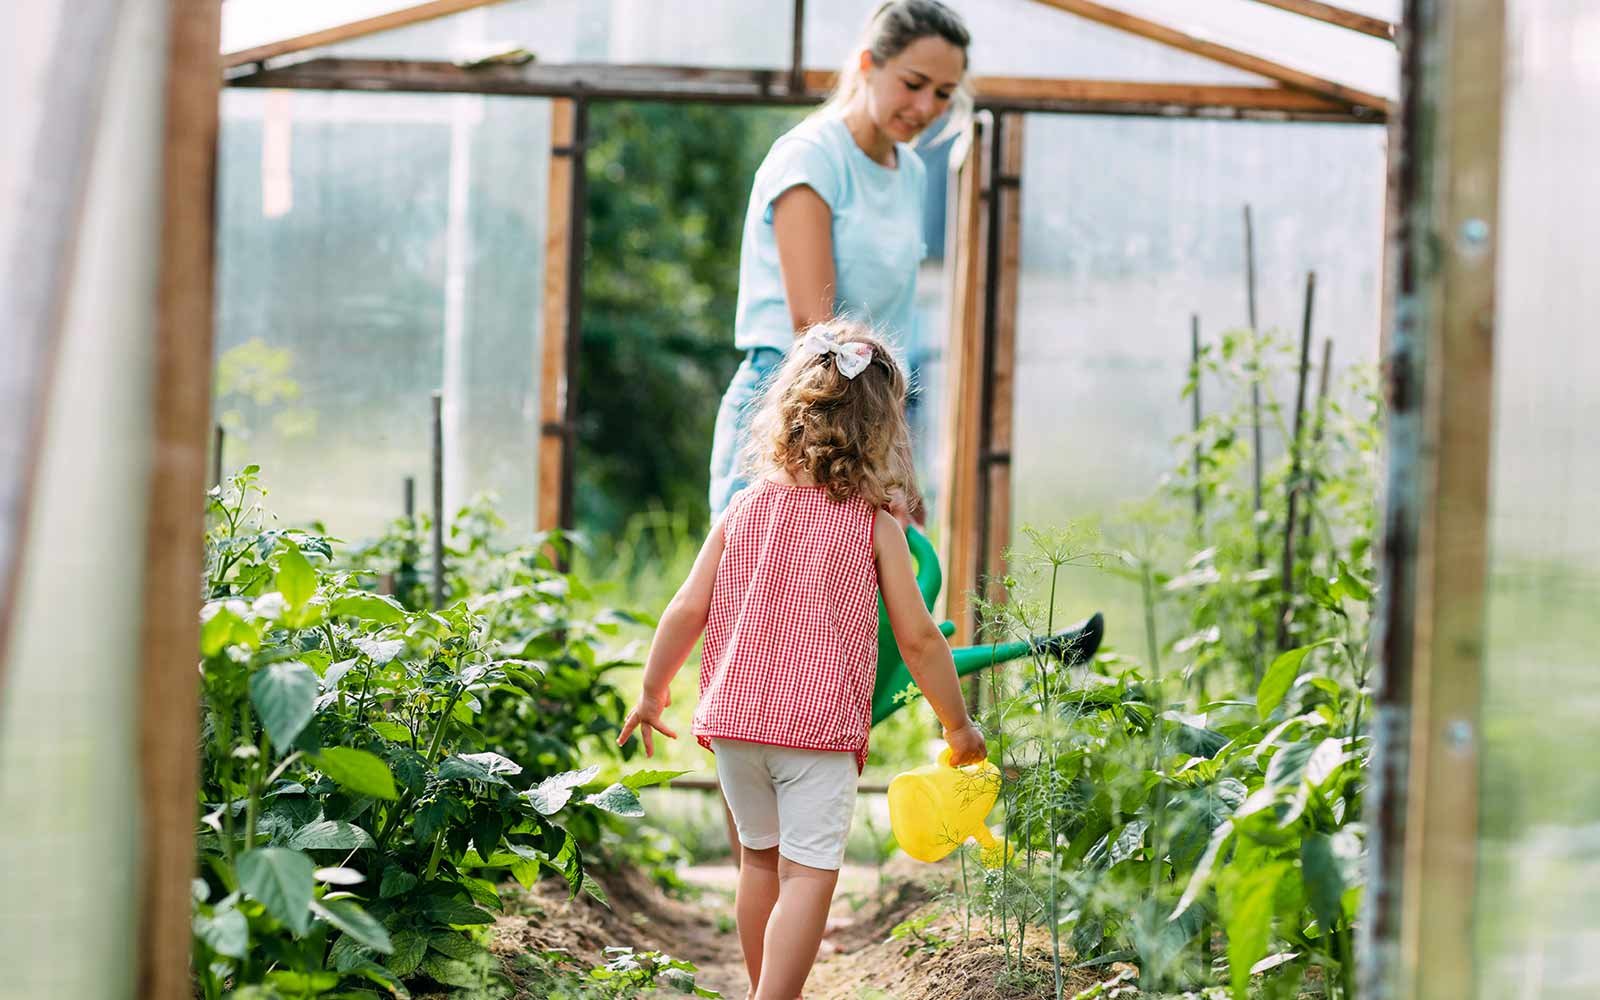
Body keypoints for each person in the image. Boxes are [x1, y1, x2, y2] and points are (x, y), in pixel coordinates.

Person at [621, 322, 987, 1000]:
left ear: (787, 415)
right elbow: (919, 640)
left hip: (734, 723)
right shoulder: (876, 525)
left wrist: (652, 691)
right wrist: (957, 726)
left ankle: (765, 989)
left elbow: (684, 609)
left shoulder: (743, 507)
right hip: (816, 732)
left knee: (759, 867)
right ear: (882, 434)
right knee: (810, 875)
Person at [705, 0, 974, 869]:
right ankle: (758, 852)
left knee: (841, 628)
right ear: (867, 62)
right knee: (756, 624)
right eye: (914, 84)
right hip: (792, 412)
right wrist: (869, 462)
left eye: (944, 94)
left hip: (873, 420)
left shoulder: (908, 171)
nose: (927, 107)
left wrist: (897, 457)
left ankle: (803, 846)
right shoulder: (809, 161)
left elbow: (892, 334)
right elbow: (816, 333)